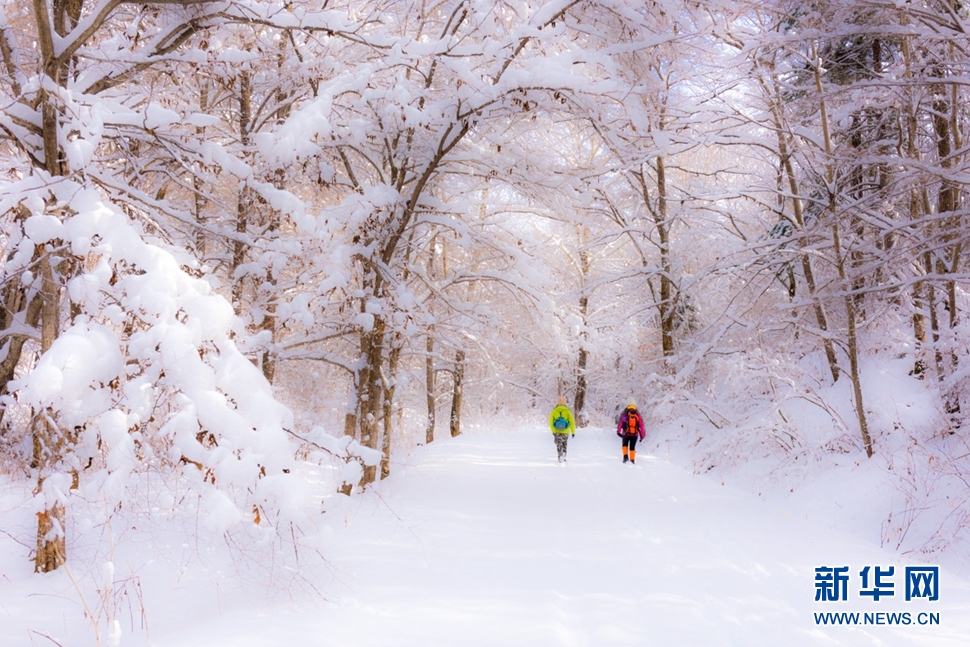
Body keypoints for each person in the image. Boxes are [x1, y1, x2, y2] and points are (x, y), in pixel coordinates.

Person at [616, 398, 645, 464]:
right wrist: (642, 435)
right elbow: (641, 425)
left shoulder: (625, 413)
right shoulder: (637, 413)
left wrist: (618, 431)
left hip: (626, 433)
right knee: (632, 447)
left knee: (625, 445)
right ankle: (632, 460)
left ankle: (625, 458)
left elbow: (621, 422)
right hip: (635, 434)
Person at [548, 396, 576, 463]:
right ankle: (564, 455)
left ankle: (560, 456)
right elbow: (572, 422)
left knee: (559, 443)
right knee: (564, 443)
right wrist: (573, 432)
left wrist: (553, 430)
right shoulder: (567, 411)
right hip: (565, 431)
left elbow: (550, 422)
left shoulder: (554, 411)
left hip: (556, 431)